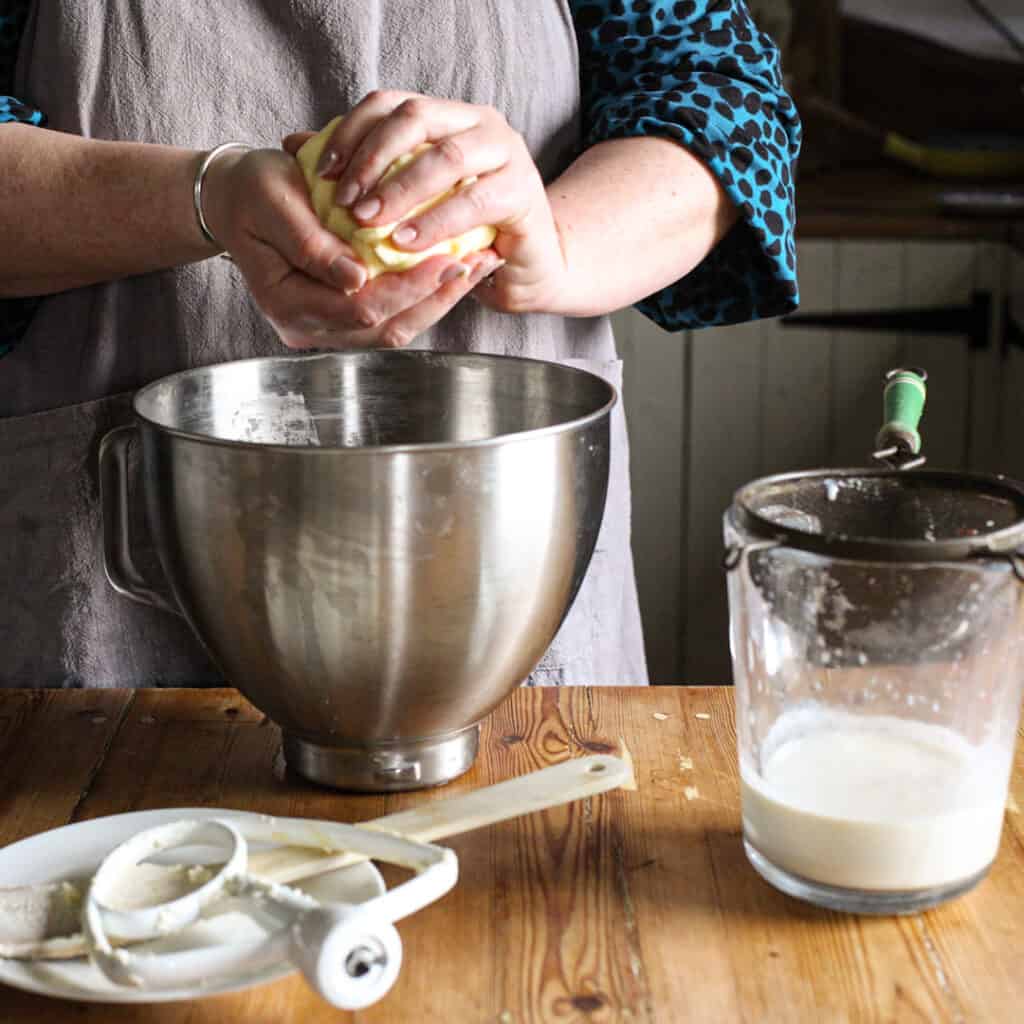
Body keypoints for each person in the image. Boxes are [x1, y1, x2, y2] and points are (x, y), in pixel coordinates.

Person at [0, 0, 800, 688]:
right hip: (115, 596)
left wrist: (553, 242)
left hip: (506, 586)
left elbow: (723, 102)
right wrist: (201, 197)